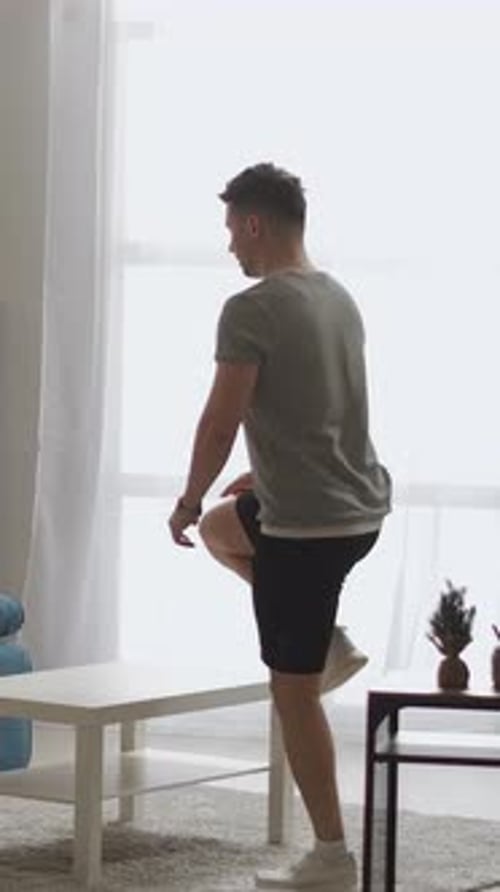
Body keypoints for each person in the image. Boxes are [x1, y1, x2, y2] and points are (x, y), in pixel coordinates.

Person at [168, 162, 391, 890]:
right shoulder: (337, 297)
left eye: (232, 227)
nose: (230, 243)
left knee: (291, 694)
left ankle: (331, 857)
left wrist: (188, 496)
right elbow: (324, 406)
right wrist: (261, 480)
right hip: (358, 511)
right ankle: (324, 642)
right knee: (228, 529)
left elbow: (219, 419)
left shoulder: (252, 307)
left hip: (309, 528)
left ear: (256, 223)